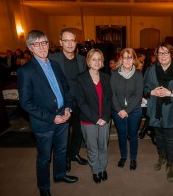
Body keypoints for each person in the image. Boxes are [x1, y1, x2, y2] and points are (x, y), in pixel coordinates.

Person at [17, 30, 78, 196]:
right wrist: (52, 117)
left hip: (63, 116)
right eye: (36, 44)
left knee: (61, 151)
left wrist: (67, 108)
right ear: (30, 47)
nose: (42, 47)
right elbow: (26, 102)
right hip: (44, 122)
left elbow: (66, 89)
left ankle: (60, 175)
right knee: (44, 158)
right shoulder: (25, 70)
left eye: (44, 42)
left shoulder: (55, 65)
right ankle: (44, 188)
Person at [143, 42, 173, 182]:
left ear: (172, 54)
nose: (162, 56)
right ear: (156, 55)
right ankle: (161, 156)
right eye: (160, 53)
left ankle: (170, 163)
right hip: (156, 110)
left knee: (170, 139)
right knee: (159, 137)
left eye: (166, 53)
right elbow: (144, 89)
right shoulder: (151, 70)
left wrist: (171, 92)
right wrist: (152, 91)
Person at [49, 28, 88, 172]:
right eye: (66, 40)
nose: (70, 44)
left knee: (78, 132)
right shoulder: (53, 60)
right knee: (63, 134)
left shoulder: (82, 60)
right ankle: (65, 158)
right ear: (61, 42)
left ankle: (74, 154)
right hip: (62, 104)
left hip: (79, 102)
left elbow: (85, 81)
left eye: (72, 40)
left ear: (76, 42)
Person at [75, 49, 112, 183]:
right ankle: (95, 170)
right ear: (88, 61)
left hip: (105, 120)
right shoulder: (81, 78)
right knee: (92, 147)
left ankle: (102, 168)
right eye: (94, 59)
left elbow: (109, 99)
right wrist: (96, 119)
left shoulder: (106, 77)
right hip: (88, 121)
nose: (97, 62)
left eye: (99, 59)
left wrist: (105, 117)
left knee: (103, 145)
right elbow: (81, 102)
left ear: (102, 62)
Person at [111, 48, 143, 170]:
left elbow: (138, 95)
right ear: (121, 59)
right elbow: (112, 94)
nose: (128, 60)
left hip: (134, 111)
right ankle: (123, 156)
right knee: (122, 135)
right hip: (117, 111)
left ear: (134, 59)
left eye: (130, 57)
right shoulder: (114, 73)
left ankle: (133, 158)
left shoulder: (138, 74)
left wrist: (127, 110)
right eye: (125, 57)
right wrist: (120, 110)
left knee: (133, 135)